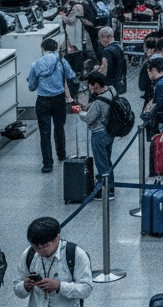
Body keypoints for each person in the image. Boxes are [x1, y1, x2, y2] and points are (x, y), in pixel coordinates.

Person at [27, 38, 76, 173]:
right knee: (59, 128)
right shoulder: (61, 61)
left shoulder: (36, 64)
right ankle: (61, 154)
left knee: (44, 132)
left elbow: (31, 87)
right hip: (59, 100)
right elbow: (71, 75)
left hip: (43, 101)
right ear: (55, 49)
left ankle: (47, 164)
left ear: (42, 48)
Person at [76, 71, 115, 196]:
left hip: (99, 134)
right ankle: (111, 185)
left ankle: (105, 190)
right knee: (107, 160)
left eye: (90, 85)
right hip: (110, 131)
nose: (89, 88)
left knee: (101, 163)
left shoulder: (98, 102)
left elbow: (88, 118)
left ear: (96, 85)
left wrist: (80, 112)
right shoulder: (112, 91)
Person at [97, 26, 127, 95]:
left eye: (100, 38)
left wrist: (98, 70)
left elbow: (104, 72)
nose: (100, 41)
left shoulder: (106, 51)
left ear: (105, 37)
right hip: (121, 84)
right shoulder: (119, 47)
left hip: (110, 86)